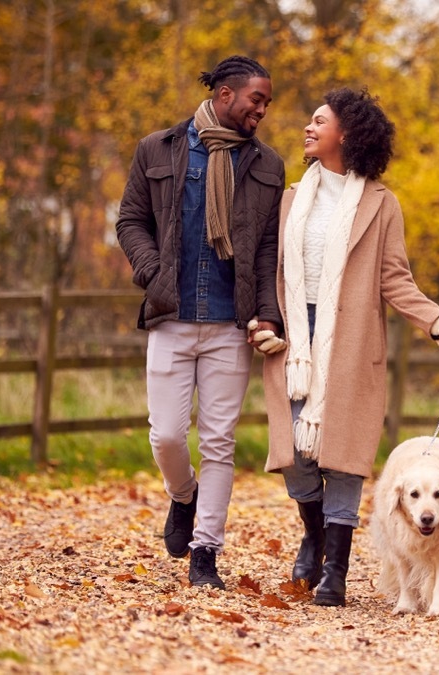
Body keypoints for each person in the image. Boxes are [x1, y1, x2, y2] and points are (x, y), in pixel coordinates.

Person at [261, 87, 439, 607]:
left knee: (345, 456)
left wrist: (435, 319)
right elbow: (269, 269)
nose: (307, 128)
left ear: (347, 134)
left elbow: (395, 279)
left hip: (352, 338)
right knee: (297, 455)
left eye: (319, 121)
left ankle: (335, 568)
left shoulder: (381, 204)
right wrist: (261, 318)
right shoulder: (291, 197)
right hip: (294, 339)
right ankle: (313, 534)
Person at [116, 55, 288, 590]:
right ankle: (183, 497)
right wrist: (152, 271)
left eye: (266, 101)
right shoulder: (158, 149)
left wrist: (267, 312)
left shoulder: (266, 165)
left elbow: (265, 249)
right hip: (171, 314)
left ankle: (205, 553)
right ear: (224, 96)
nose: (262, 109)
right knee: (167, 436)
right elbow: (130, 221)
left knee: (219, 442)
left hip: (230, 324)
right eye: (256, 99)